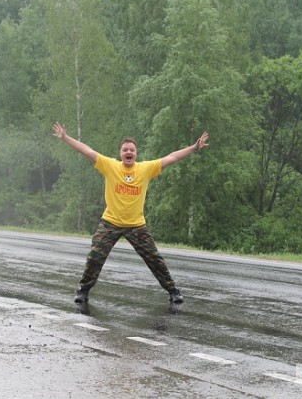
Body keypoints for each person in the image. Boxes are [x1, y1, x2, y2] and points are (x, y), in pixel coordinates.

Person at [52, 122, 209, 304]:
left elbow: (172, 157)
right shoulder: (110, 166)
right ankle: (83, 290)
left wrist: (194, 148)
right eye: (125, 149)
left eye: (132, 150)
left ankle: (173, 291)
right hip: (110, 223)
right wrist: (65, 138)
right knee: (95, 257)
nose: (129, 152)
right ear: (120, 153)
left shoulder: (145, 169)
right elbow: (87, 151)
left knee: (155, 259)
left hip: (136, 225)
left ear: (136, 153)